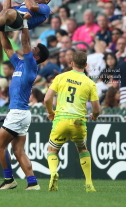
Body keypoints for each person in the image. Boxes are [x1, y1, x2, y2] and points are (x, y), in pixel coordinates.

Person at [0, 19, 49, 190]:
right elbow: (7, 48)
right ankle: (32, 183)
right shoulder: (20, 64)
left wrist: (24, 22)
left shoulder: (31, 65)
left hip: (18, 113)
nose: (30, 49)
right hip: (21, 113)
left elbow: (25, 41)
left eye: (34, 49)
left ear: (36, 56)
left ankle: (9, 180)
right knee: (18, 151)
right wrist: (1, 29)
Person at [44, 51, 100, 192]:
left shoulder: (60, 77)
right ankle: (89, 183)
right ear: (86, 65)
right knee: (82, 148)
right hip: (78, 122)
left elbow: (46, 98)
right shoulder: (90, 83)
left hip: (61, 119)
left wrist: (51, 112)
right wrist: (94, 115)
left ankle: (53, 173)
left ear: (71, 63)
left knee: (52, 149)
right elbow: (96, 108)